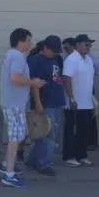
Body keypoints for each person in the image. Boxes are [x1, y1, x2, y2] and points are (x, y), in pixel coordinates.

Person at [0, 28, 45, 188]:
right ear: (21, 41)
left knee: (19, 134)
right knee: (15, 137)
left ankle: (6, 165)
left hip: (11, 102)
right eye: (28, 41)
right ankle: (9, 174)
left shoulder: (11, 54)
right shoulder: (17, 56)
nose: (30, 44)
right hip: (14, 104)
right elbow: (15, 77)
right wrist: (34, 82)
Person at [25, 35, 65, 176]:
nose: (55, 53)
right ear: (45, 48)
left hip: (56, 100)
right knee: (48, 134)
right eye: (53, 50)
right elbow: (34, 83)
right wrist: (38, 103)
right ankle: (43, 163)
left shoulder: (56, 59)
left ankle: (32, 160)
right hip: (45, 102)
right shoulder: (35, 61)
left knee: (43, 133)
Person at [62, 34, 97, 168]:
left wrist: (93, 98)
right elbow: (67, 79)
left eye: (89, 45)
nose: (88, 47)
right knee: (71, 130)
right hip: (74, 102)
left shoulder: (88, 59)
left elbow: (89, 80)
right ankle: (69, 156)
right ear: (78, 45)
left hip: (86, 102)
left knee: (84, 131)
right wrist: (71, 98)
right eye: (86, 44)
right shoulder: (71, 59)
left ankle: (82, 155)